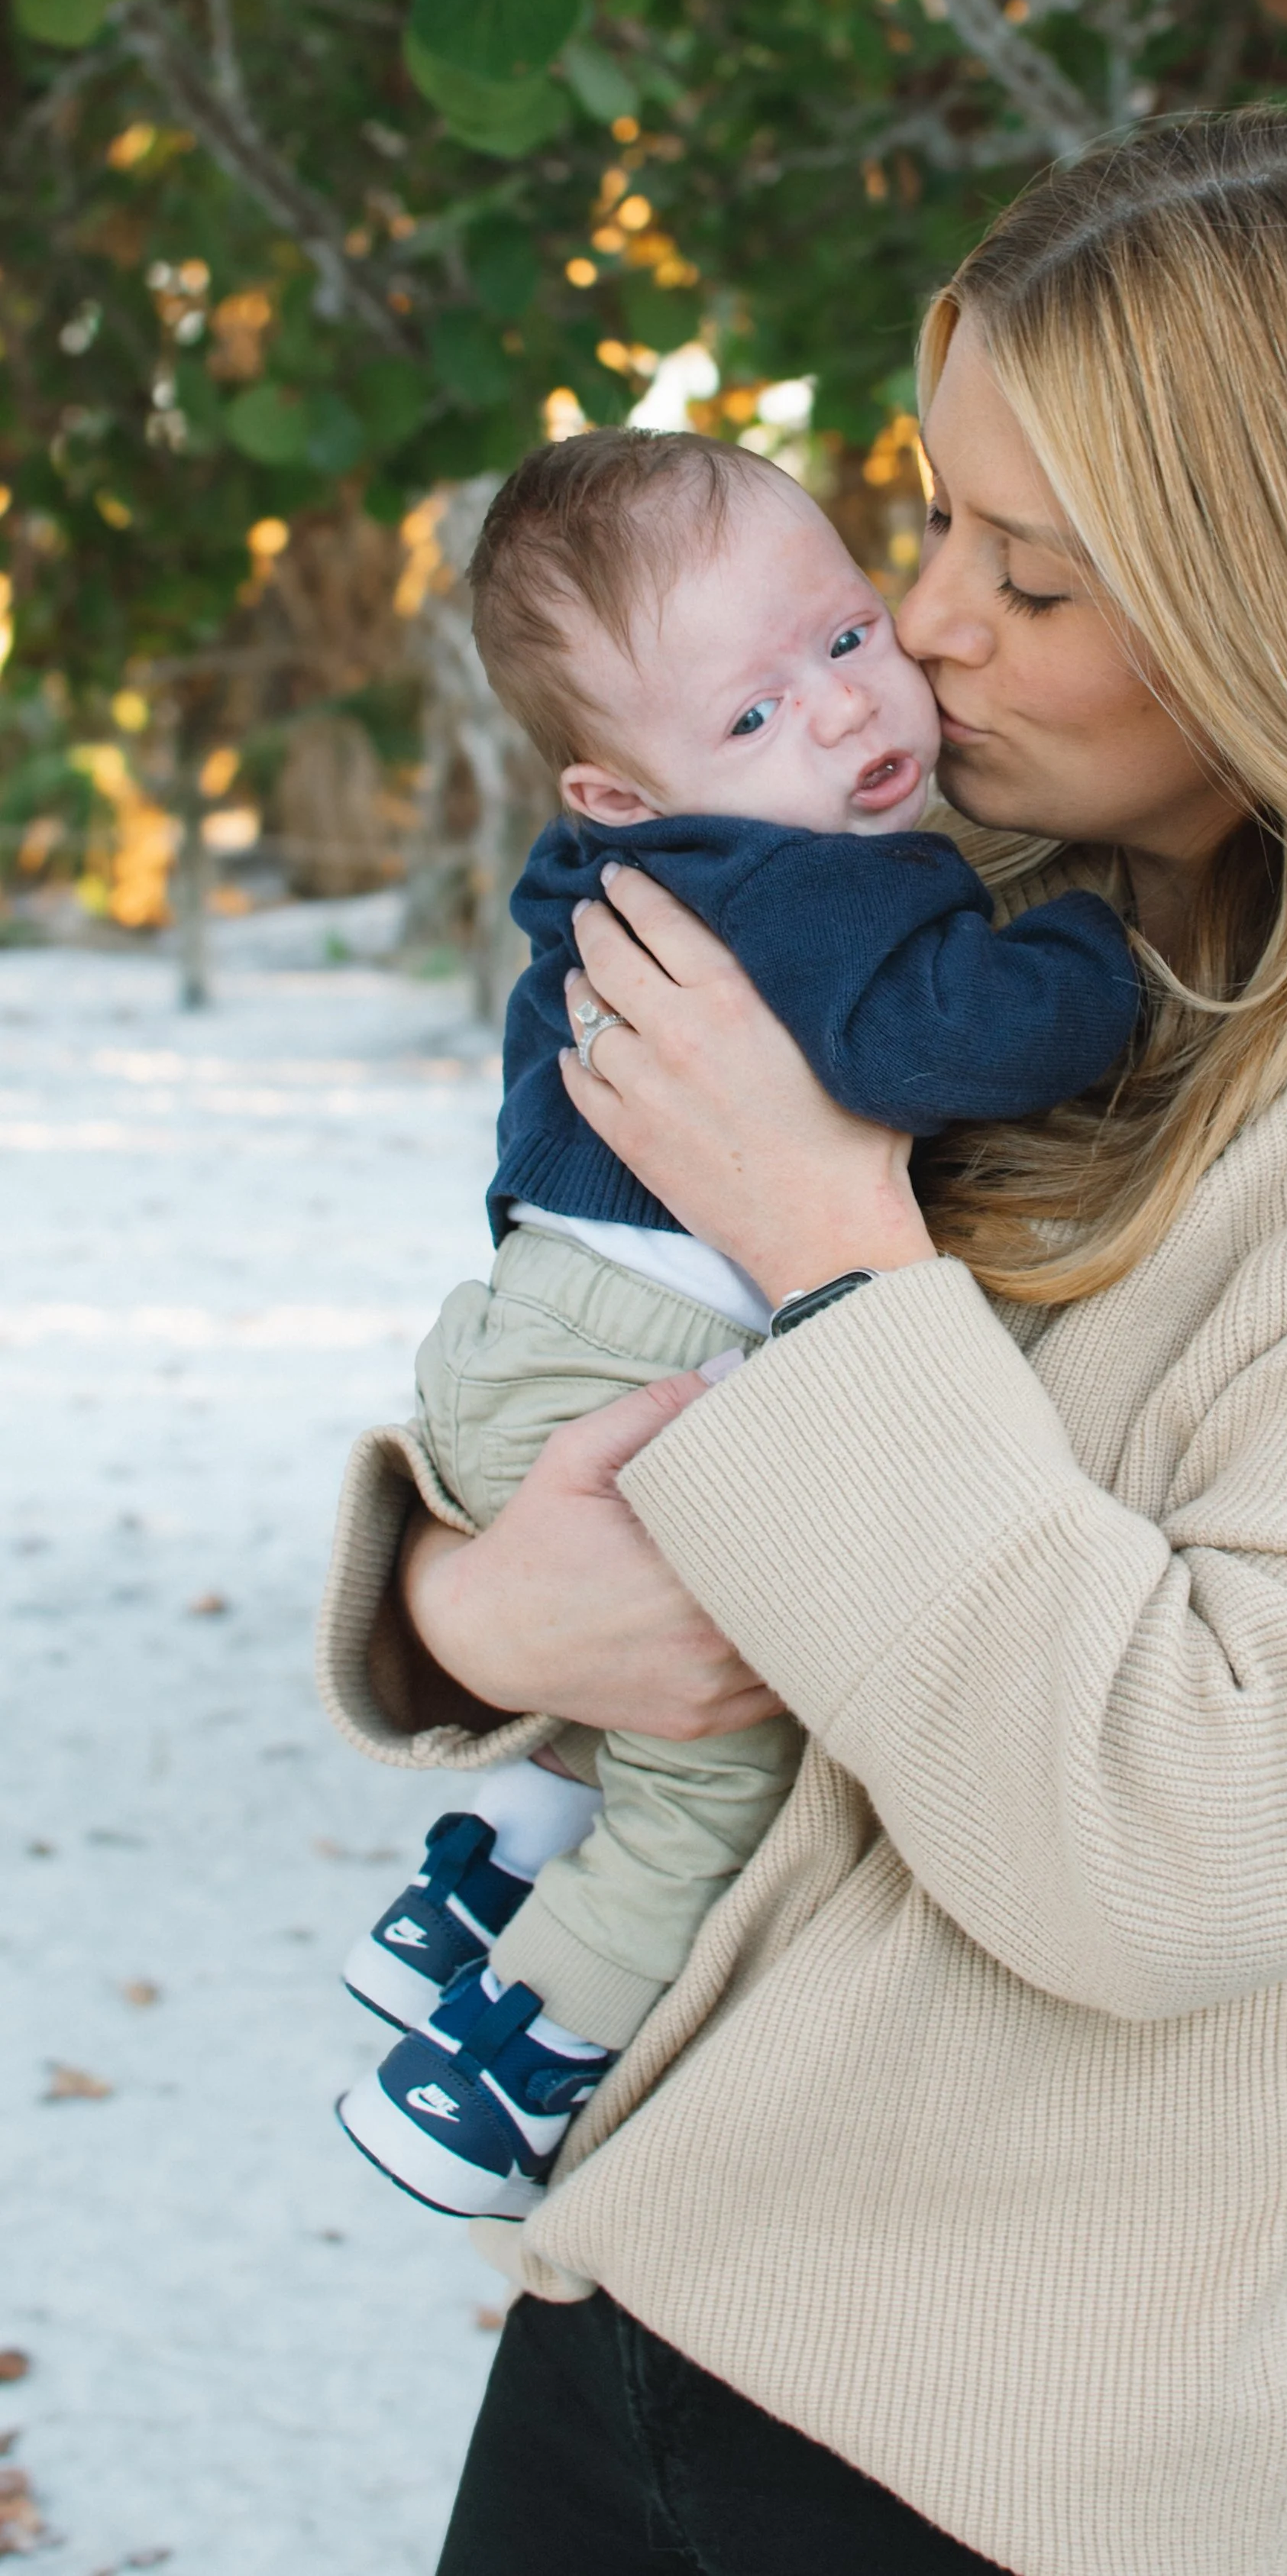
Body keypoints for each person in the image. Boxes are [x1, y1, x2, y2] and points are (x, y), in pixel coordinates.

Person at [316, 108, 1287, 2576]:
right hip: (649, 2301)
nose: (932, 622)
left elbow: (1184, 1835)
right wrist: (457, 1606)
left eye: (1037, 572)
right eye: (938, 522)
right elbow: (598, 1352)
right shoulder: (1027, 910)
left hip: (1000, 2463)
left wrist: (832, 1231)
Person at [325, 429, 1138, 2218]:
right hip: (633, 1347)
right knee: (722, 1767)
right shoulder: (812, 886)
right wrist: (1102, 962)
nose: (847, 721)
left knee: (619, 1690)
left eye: (845, 641)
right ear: (619, 790)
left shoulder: (630, 867)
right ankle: (502, 2062)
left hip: (522, 1334)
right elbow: (930, 1042)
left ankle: (475, 1877)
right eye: (753, 718)